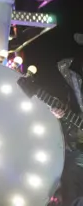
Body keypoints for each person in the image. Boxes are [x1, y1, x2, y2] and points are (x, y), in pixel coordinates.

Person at [51, 33, 83, 206]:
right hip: (77, 148)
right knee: (72, 190)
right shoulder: (70, 72)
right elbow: (65, 107)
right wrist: (60, 114)